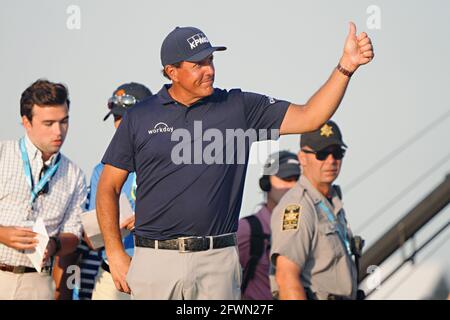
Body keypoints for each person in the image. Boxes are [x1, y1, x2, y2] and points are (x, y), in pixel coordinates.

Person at [97, 24, 374, 299]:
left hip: (218, 262)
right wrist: (115, 253)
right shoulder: (139, 116)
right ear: (172, 72)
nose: (210, 70)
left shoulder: (238, 108)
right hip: (155, 261)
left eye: (211, 60)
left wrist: (346, 67)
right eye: (198, 64)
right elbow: (108, 187)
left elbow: (310, 116)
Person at [0, 79, 86, 300]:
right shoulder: (2, 154)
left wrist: (55, 245)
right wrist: (2, 234)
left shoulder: (74, 175)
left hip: (38, 283)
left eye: (64, 121)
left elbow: (74, 235)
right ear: (26, 122)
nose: (59, 131)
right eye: (49, 123)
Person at [270, 121, 362, 300]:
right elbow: (286, 277)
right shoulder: (298, 207)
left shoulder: (332, 204)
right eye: (322, 154)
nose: (331, 161)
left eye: (337, 153)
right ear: (302, 158)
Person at [90, 82, 153, 300]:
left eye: (124, 119)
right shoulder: (101, 171)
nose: (119, 126)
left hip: (158, 272)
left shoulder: (165, 163)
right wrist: (109, 223)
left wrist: (148, 218)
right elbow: (92, 239)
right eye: (116, 119)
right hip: (113, 275)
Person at [237, 151, 300, 300]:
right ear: (266, 184)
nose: (293, 186)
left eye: (297, 179)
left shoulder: (309, 227)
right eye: (286, 178)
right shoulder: (248, 230)